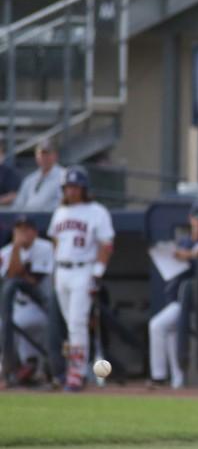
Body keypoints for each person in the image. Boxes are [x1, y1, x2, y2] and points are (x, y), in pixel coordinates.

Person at [47, 167, 114, 391]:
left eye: (75, 187)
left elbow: (106, 244)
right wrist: (55, 271)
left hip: (83, 270)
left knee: (77, 322)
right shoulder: (60, 212)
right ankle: (78, 369)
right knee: (71, 323)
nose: (72, 191)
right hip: (62, 271)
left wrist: (98, 272)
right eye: (68, 187)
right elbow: (56, 242)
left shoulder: (96, 211)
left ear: (84, 188)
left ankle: (76, 373)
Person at [148, 202, 198, 389]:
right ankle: (177, 380)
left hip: (195, 299)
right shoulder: (183, 241)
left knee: (157, 326)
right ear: (190, 219)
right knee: (170, 333)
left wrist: (191, 254)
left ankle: (159, 376)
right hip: (176, 296)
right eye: (197, 218)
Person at [0, 216, 53, 386]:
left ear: (35, 232)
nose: (22, 232)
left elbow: (31, 281)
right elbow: (9, 276)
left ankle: (30, 369)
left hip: (41, 306)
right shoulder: (6, 251)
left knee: (21, 323)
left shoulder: (45, 247)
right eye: (19, 229)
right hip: (16, 306)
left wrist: (16, 250)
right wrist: (16, 247)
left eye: (27, 228)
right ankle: (11, 370)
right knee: (7, 323)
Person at [11, 140, 64, 212]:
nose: (45, 157)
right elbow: (18, 206)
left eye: (48, 154)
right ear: (36, 156)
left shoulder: (64, 176)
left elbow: (64, 203)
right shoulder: (29, 179)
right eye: (42, 154)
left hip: (52, 219)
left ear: (55, 155)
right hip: (28, 220)